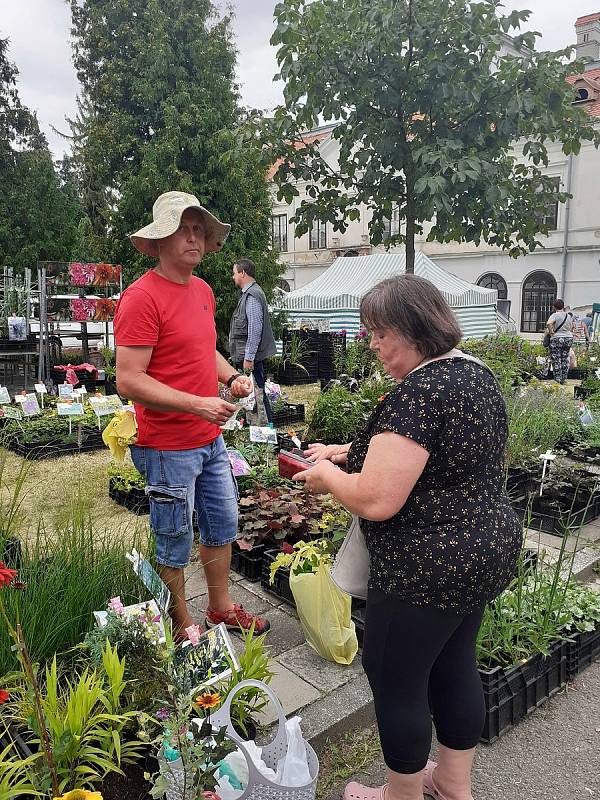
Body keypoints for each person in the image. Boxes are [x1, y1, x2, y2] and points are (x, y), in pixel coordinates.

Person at [294, 275, 521, 800]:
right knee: (454, 662)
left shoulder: (419, 392)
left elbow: (377, 498)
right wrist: (345, 452)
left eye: (378, 333)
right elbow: (433, 455)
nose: (371, 344)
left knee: (397, 680)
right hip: (483, 551)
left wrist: (328, 477)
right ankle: (450, 784)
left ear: (412, 328)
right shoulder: (472, 374)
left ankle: (400, 796)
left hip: (427, 564)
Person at [114, 190, 270, 639]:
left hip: (209, 440)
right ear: (160, 239)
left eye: (199, 229)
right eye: (183, 229)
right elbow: (129, 379)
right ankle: (181, 619)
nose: (194, 238)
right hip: (166, 444)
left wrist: (230, 380)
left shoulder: (202, 291)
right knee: (174, 537)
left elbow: (206, 352)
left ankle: (219, 607)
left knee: (222, 523)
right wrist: (196, 403)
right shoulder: (141, 298)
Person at [229, 258, 277, 424]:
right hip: (248, 357)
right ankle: (257, 431)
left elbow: (255, 329)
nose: (233, 277)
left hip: (251, 358)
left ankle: (267, 434)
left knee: (258, 396)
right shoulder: (248, 294)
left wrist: (249, 358)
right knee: (252, 398)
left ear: (243, 273)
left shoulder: (252, 295)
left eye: (234, 273)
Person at [545, 299, 574, 384]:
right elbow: (571, 327)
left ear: (554, 307)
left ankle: (558, 379)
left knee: (556, 358)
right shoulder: (568, 316)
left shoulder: (554, 315)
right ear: (563, 306)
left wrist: (551, 331)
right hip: (568, 338)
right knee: (565, 358)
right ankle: (564, 379)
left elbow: (549, 323)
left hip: (557, 338)